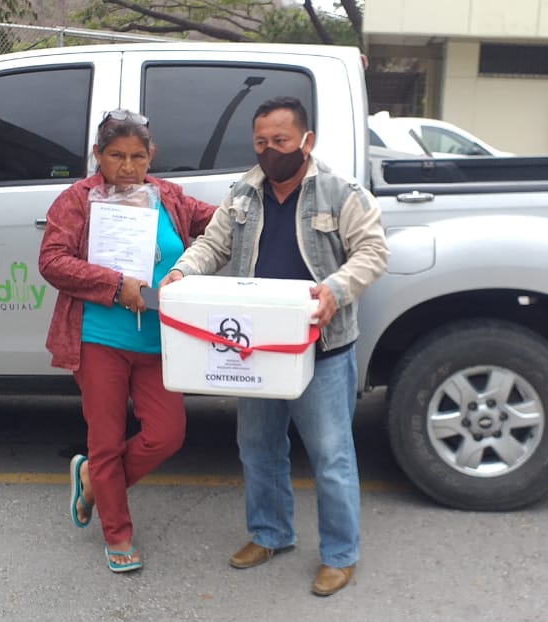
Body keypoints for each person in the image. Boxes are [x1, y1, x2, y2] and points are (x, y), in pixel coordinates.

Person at [160, 96, 389, 595]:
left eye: (280, 141)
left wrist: (336, 290)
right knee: (257, 447)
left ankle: (340, 555)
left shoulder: (341, 193)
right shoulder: (243, 193)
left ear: (307, 141)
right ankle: (270, 534)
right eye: (261, 142)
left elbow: (372, 252)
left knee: (330, 454)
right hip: (257, 348)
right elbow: (213, 244)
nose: (270, 151)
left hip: (321, 346)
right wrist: (181, 271)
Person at [39, 109, 217, 573]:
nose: (127, 167)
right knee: (106, 441)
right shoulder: (78, 200)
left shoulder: (168, 196)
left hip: (159, 342)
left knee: (166, 435)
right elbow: (52, 260)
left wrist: (257, 205)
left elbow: (218, 224)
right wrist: (117, 285)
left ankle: (92, 482)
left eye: (138, 156)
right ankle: (117, 534)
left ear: (151, 156)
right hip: (99, 337)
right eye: (116, 155)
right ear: (97, 154)